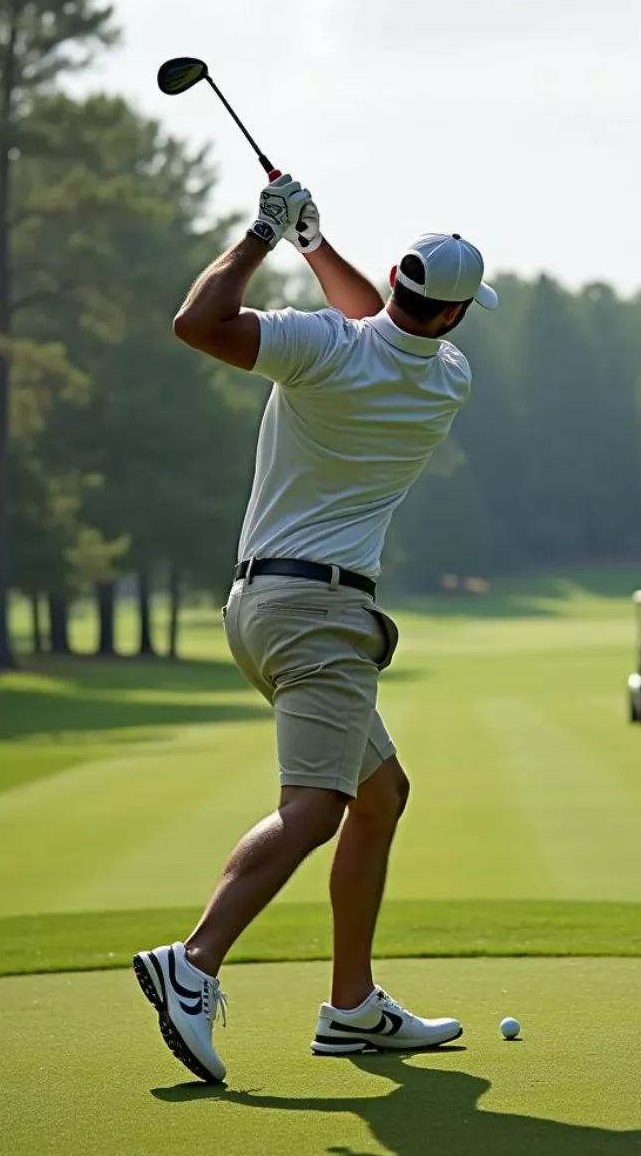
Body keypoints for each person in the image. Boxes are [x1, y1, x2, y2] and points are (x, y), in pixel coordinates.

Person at [132, 174, 498, 1084]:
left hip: (264, 609)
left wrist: (265, 237)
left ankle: (351, 1009)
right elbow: (383, 320)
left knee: (379, 796)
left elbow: (198, 322)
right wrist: (305, 240)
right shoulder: (449, 379)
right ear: (453, 317)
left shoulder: (319, 347)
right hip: (323, 617)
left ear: (394, 279)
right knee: (320, 809)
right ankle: (195, 963)